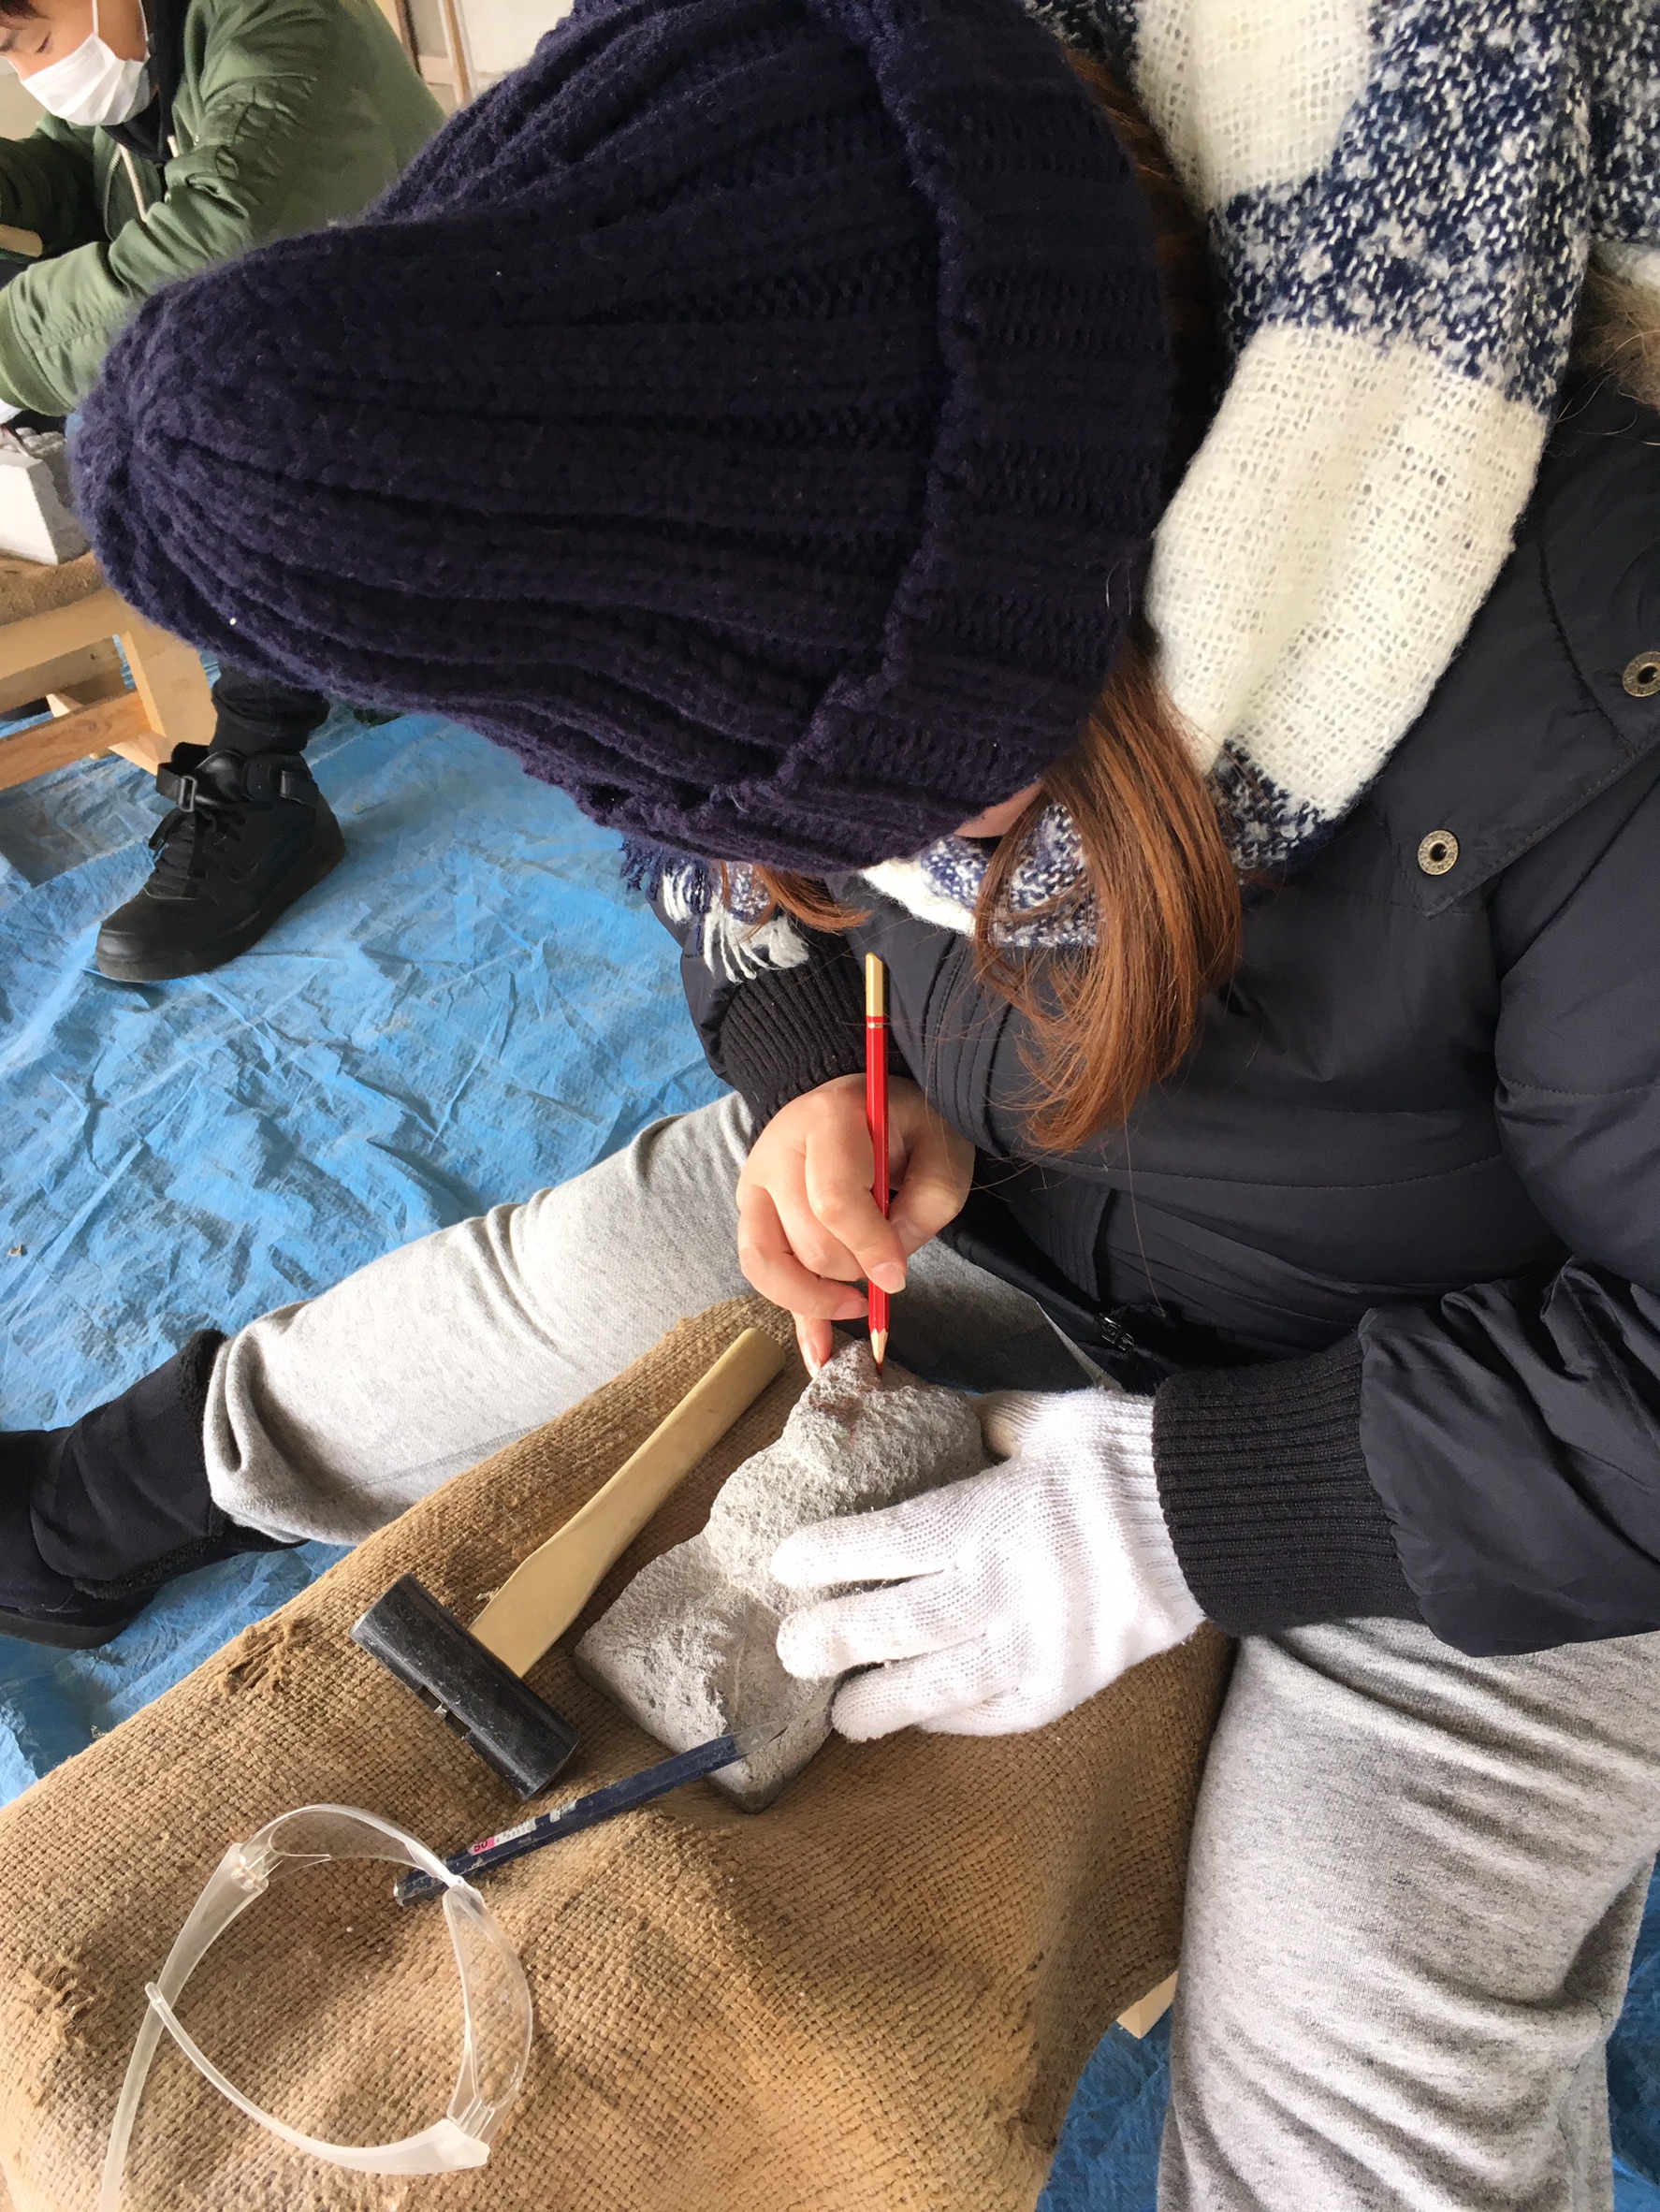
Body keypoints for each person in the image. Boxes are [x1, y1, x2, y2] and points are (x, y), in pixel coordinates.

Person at [11, 0, 1660, 2201]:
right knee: (551, 1277)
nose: (882, 884)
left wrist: (1192, 1506)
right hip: (1014, 1189)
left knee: (1354, 2019)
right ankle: (102, 1501)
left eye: (918, 834)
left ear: (1080, 606)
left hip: (1487, 1388)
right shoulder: (826, 390)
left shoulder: (1587, 667)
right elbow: (720, 854)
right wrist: (803, 1051)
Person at [0, 0, 441, 979]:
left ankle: (263, 773)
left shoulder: (285, 26)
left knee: (209, 401)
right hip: (378, 385)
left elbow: (223, 236)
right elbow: (74, 171)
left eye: (28, 42)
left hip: (449, 391)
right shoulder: (156, 43)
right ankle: (350, 649)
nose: (33, 73)